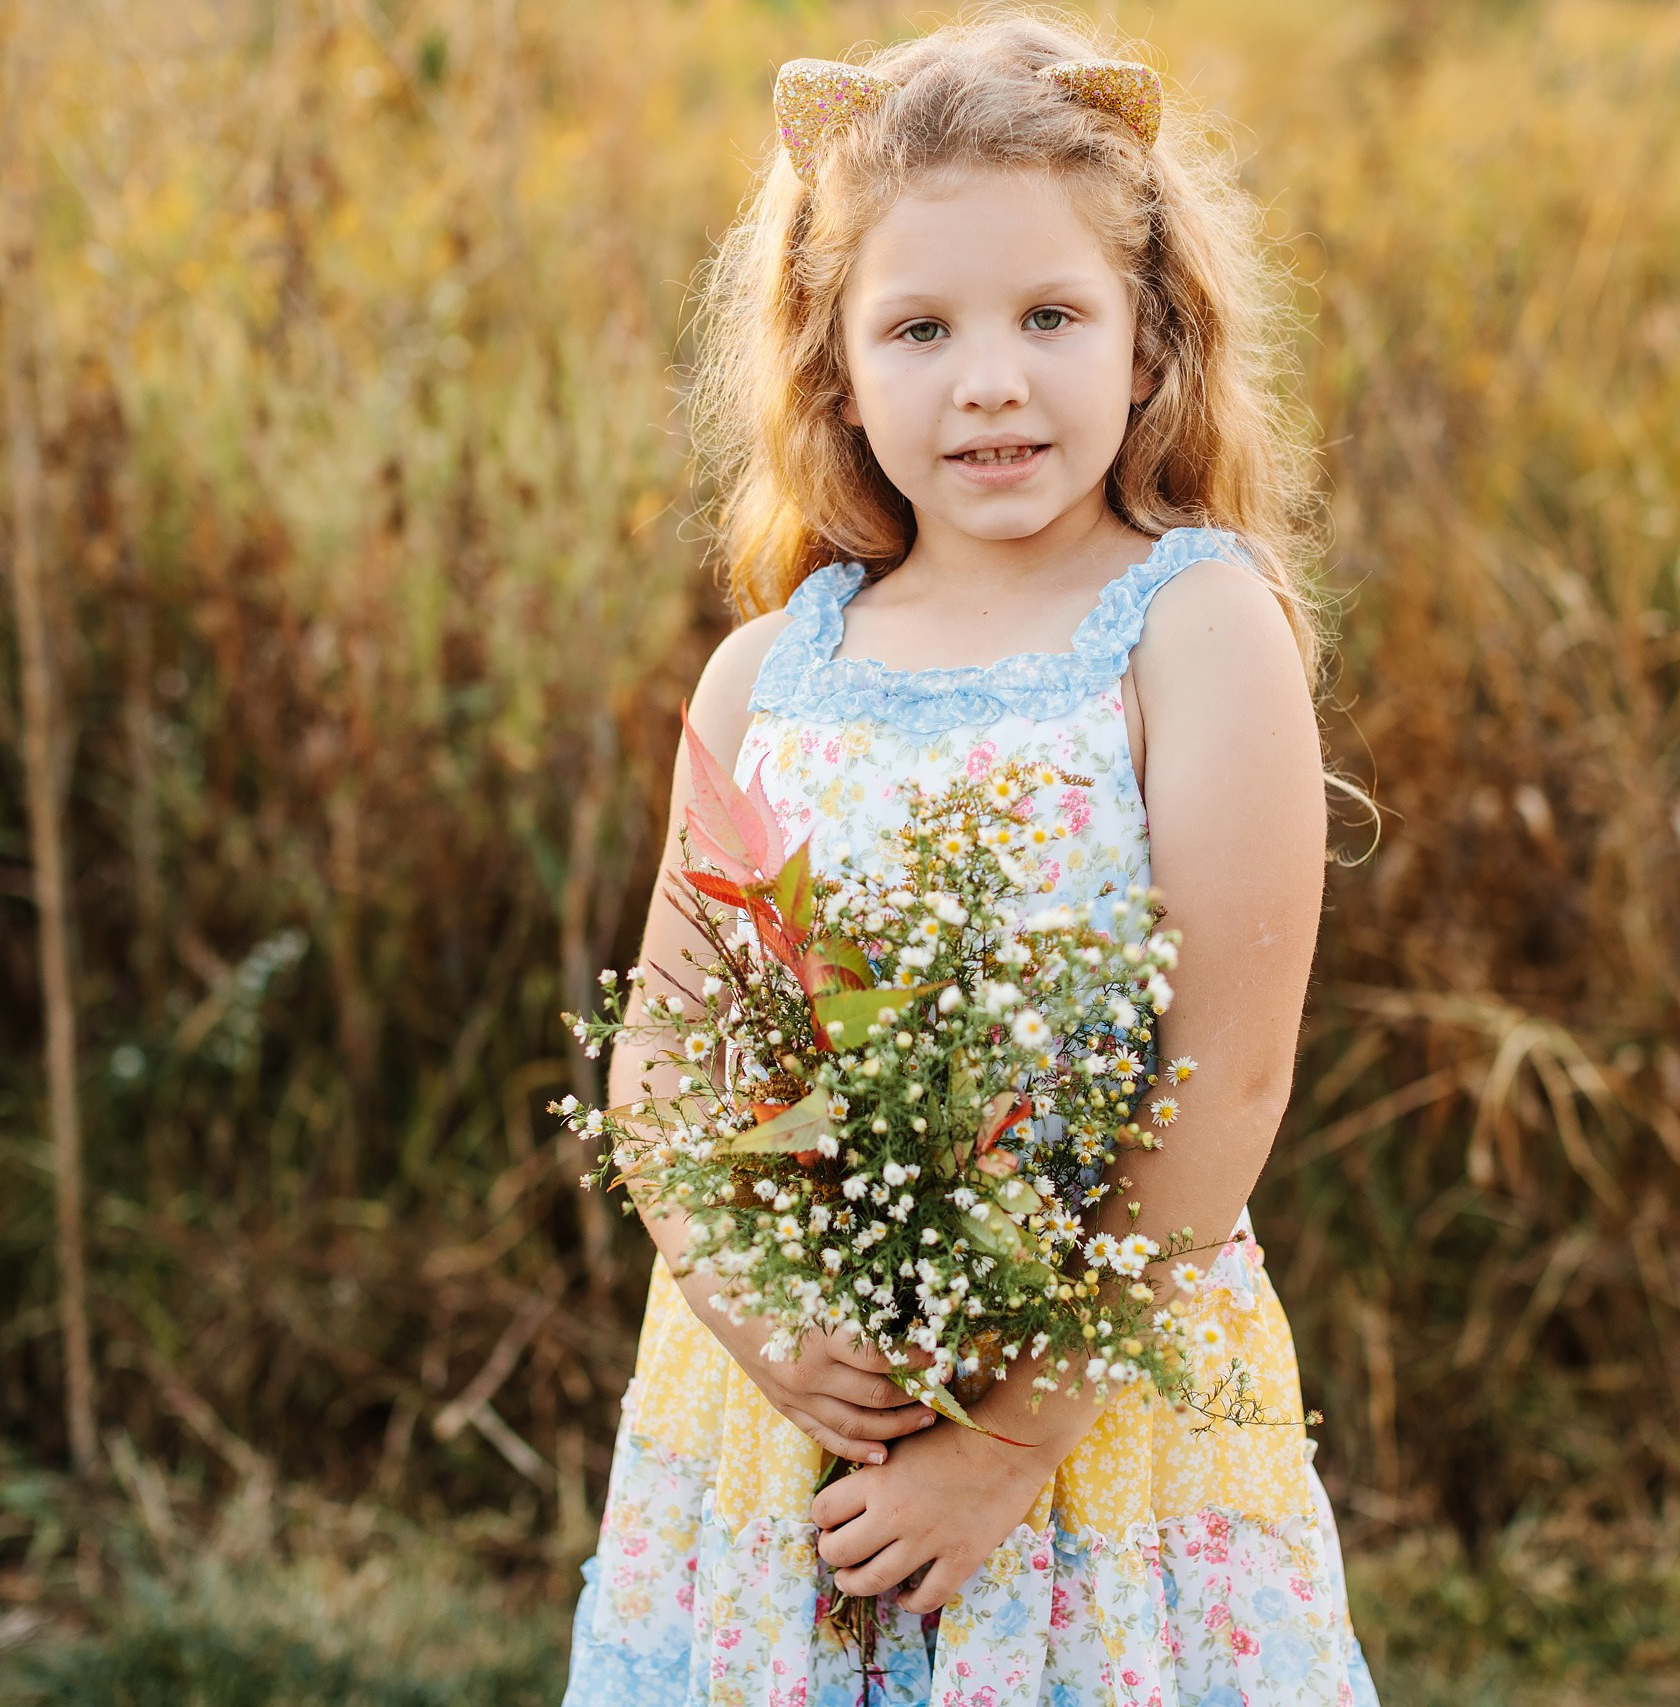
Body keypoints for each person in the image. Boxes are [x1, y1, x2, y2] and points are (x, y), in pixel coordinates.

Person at [563, 12, 1379, 1704]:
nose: (991, 378)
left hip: (1092, 1408)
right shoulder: (766, 678)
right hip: (782, 1427)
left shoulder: (1194, 631)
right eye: (920, 326)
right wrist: (759, 1322)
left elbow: (1225, 1086)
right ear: (834, 364)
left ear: (1149, 345)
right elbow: (660, 1063)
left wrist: (1006, 1448)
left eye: (1051, 317)